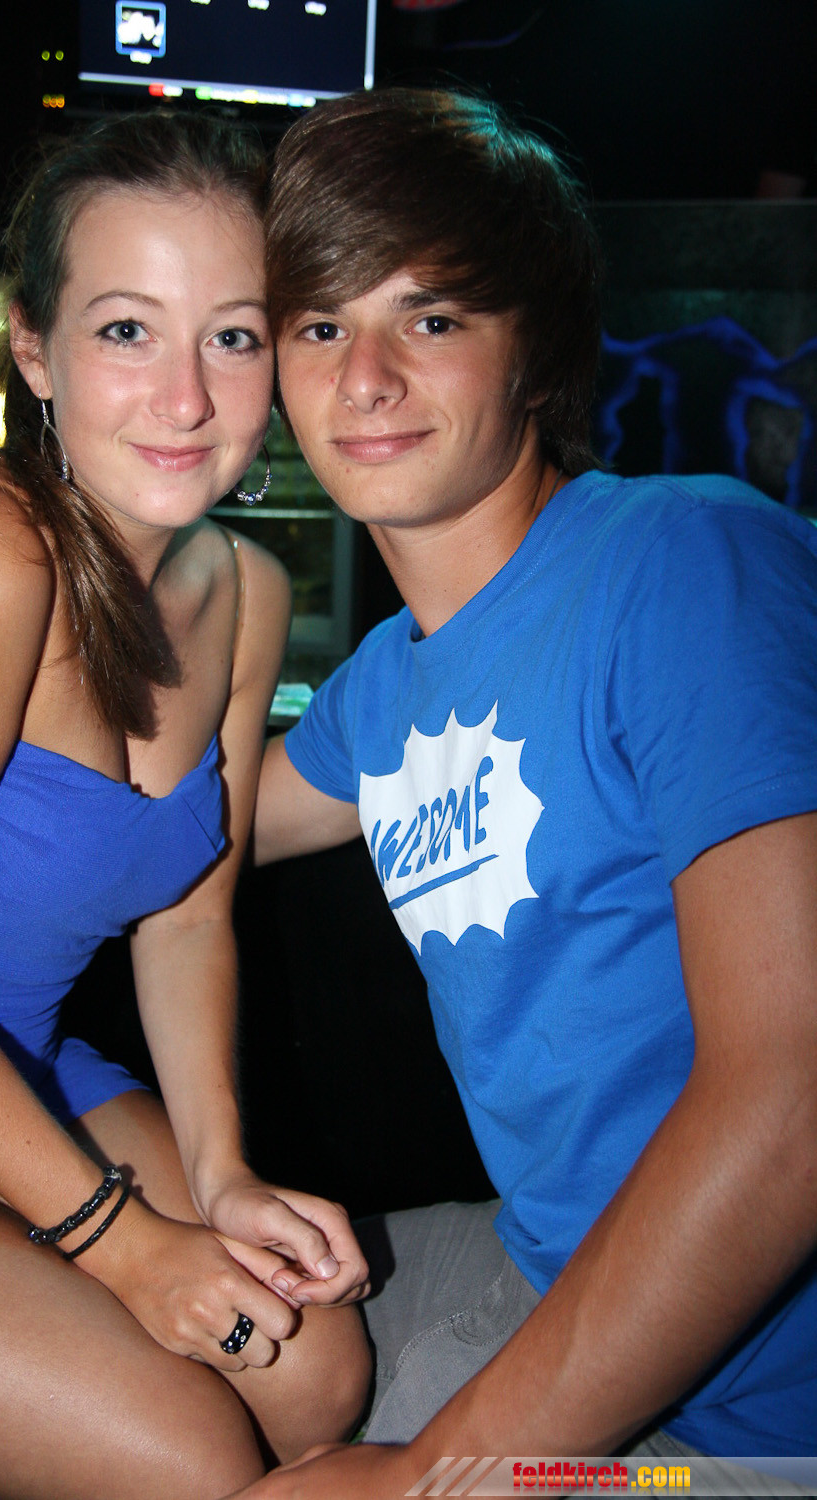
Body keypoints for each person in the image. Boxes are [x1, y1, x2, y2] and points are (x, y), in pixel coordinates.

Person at [239, 87, 817, 1496]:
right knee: (171, 1373)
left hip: (757, 1414)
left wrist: (433, 1477)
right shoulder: (384, 687)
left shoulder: (683, 564)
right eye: (320, 326)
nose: (365, 379)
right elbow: (165, 834)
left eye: (431, 318)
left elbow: (793, 1099)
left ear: (534, 350)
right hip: (552, 1265)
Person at [0, 109, 371, 1500]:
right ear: (34, 350)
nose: (184, 398)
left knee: (318, 1373)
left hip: (15, 1066)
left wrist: (222, 1174)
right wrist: (124, 1248)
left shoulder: (244, 592)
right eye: (128, 330)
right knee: (184, 1457)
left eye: (232, 336)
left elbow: (185, 923)